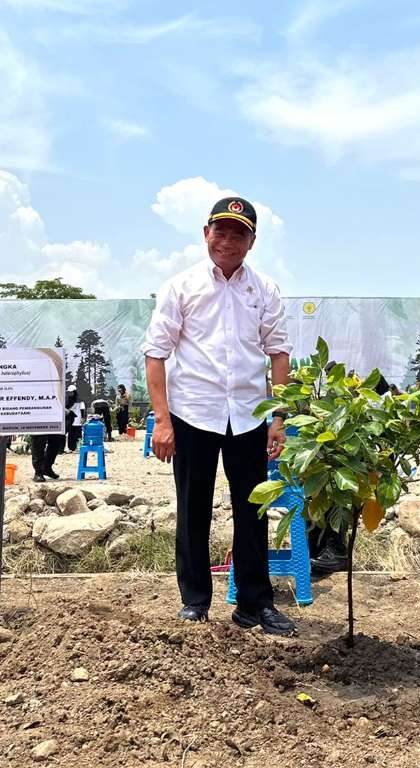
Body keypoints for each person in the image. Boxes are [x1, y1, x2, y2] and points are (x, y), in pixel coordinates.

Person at [142, 195, 295, 636]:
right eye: (220, 231)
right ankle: (194, 602)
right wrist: (163, 421)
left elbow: (278, 354)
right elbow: (156, 354)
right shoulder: (181, 287)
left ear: (251, 241)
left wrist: (278, 418)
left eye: (238, 233)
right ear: (206, 233)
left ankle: (254, 604)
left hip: (249, 416)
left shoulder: (263, 289)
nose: (227, 241)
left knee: (253, 511)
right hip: (193, 415)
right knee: (193, 509)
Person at [65, 385, 85, 452]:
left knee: (78, 435)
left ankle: (79, 447)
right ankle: (71, 448)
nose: (70, 394)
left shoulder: (80, 400)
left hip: (78, 420)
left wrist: (82, 417)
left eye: (71, 392)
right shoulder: (67, 400)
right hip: (70, 421)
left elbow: (82, 409)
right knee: (70, 435)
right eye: (69, 392)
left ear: (74, 392)